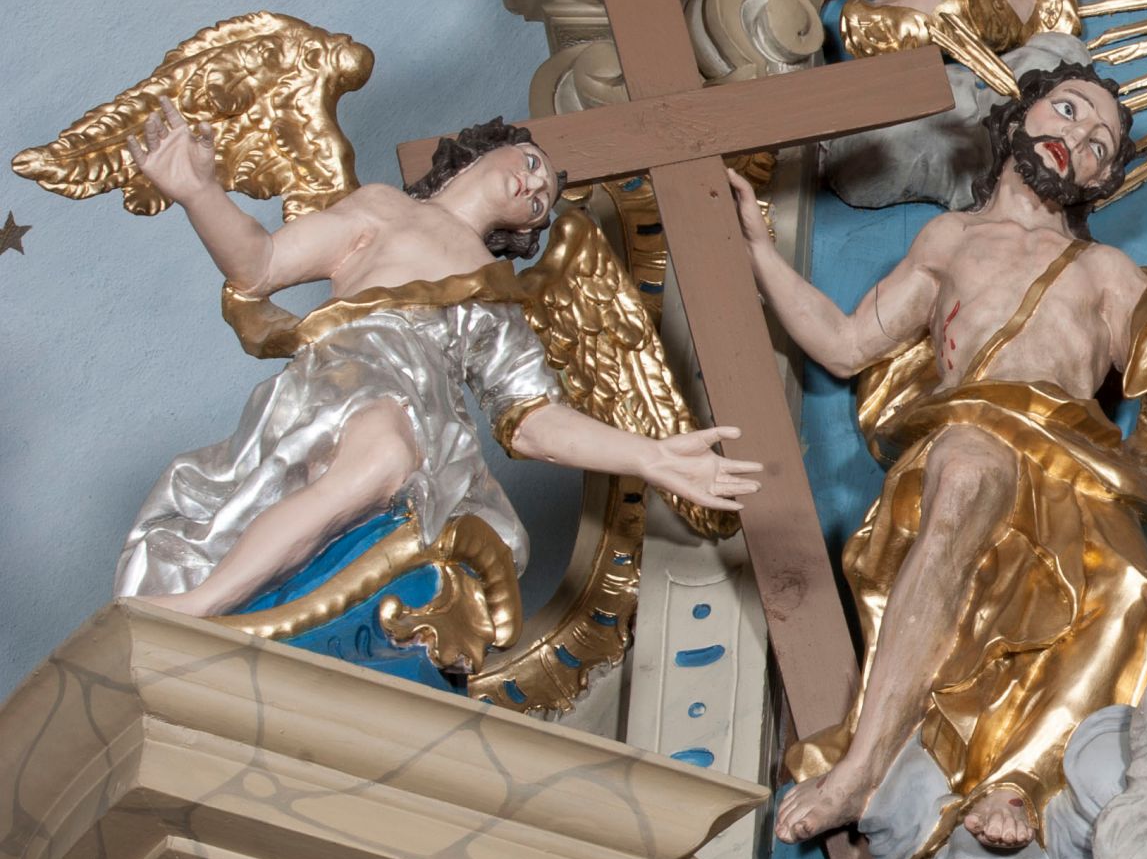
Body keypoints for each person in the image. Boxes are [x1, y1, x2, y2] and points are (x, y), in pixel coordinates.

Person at [739, 60, 1147, 859]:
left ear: (1104, 179)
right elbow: (843, 342)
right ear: (1019, 116)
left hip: (1074, 463)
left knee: (1132, 593)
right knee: (966, 472)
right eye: (1068, 111)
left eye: (1100, 141)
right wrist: (756, 249)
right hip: (972, 429)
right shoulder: (948, 240)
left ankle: (1024, 781)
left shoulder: (1105, 272)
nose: (1079, 138)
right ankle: (864, 764)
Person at [118, 111, 757, 615]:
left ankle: (217, 606)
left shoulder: (499, 296)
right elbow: (259, 266)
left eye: (541, 203)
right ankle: (200, 604)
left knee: (392, 469)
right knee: (384, 458)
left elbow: (531, 421)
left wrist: (648, 456)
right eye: (532, 163)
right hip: (354, 370)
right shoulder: (382, 210)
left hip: (428, 414)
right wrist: (199, 192)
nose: (535, 186)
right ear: (484, 149)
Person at [818, 0, 1084, 210]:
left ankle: (1009, 153)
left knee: (1057, 56)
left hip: (1000, 117)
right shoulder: (871, 20)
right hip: (935, 134)